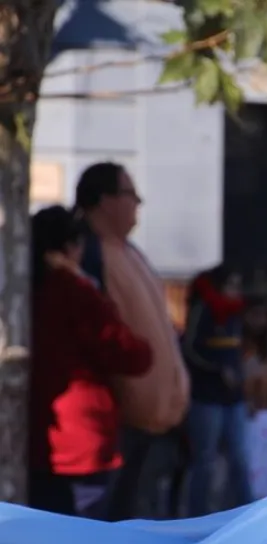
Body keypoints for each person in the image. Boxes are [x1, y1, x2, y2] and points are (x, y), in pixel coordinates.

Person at [74, 162, 190, 520]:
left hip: (149, 426)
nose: (138, 204)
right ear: (105, 200)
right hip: (113, 428)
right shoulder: (87, 253)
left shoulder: (130, 251)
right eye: (130, 195)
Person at [28, 205, 152, 519]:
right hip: (80, 437)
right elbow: (127, 352)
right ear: (71, 247)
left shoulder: (27, 290)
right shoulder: (76, 291)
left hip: (37, 435)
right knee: (84, 543)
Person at [181, 265, 253, 516]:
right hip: (207, 396)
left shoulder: (235, 314)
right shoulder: (204, 310)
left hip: (233, 397)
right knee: (205, 460)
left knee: (239, 457)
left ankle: (245, 511)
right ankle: (197, 514)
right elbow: (190, 349)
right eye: (231, 285)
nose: (236, 291)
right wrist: (218, 369)